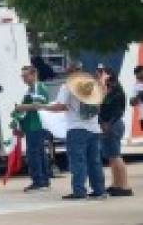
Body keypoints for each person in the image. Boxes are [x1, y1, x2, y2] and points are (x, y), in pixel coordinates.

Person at [24, 71, 106, 201]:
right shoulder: (93, 86)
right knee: (94, 161)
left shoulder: (67, 87)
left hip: (76, 129)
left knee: (78, 161)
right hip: (94, 129)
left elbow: (60, 106)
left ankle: (79, 191)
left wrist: (42, 107)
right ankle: (99, 190)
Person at [17, 64, 51, 191]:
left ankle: (39, 181)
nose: (23, 78)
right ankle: (44, 179)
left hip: (37, 125)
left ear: (34, 74)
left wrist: (21, 107)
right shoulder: (31, 89)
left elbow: (38, 105)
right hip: (32, 125)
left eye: (25, 76)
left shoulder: (38, 87)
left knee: (34, 153)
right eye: (22, 76)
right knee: (39, 153)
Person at [98, 70, 131, 197]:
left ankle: (125, 186)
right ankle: (116, 184)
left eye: (101, 74)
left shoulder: (116, 92)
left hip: (113, 125)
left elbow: (118, 112)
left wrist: (108, 124)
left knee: (116, 156)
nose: (99, 77)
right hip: (108, 125)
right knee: (111, 157)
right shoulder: (109, 90)